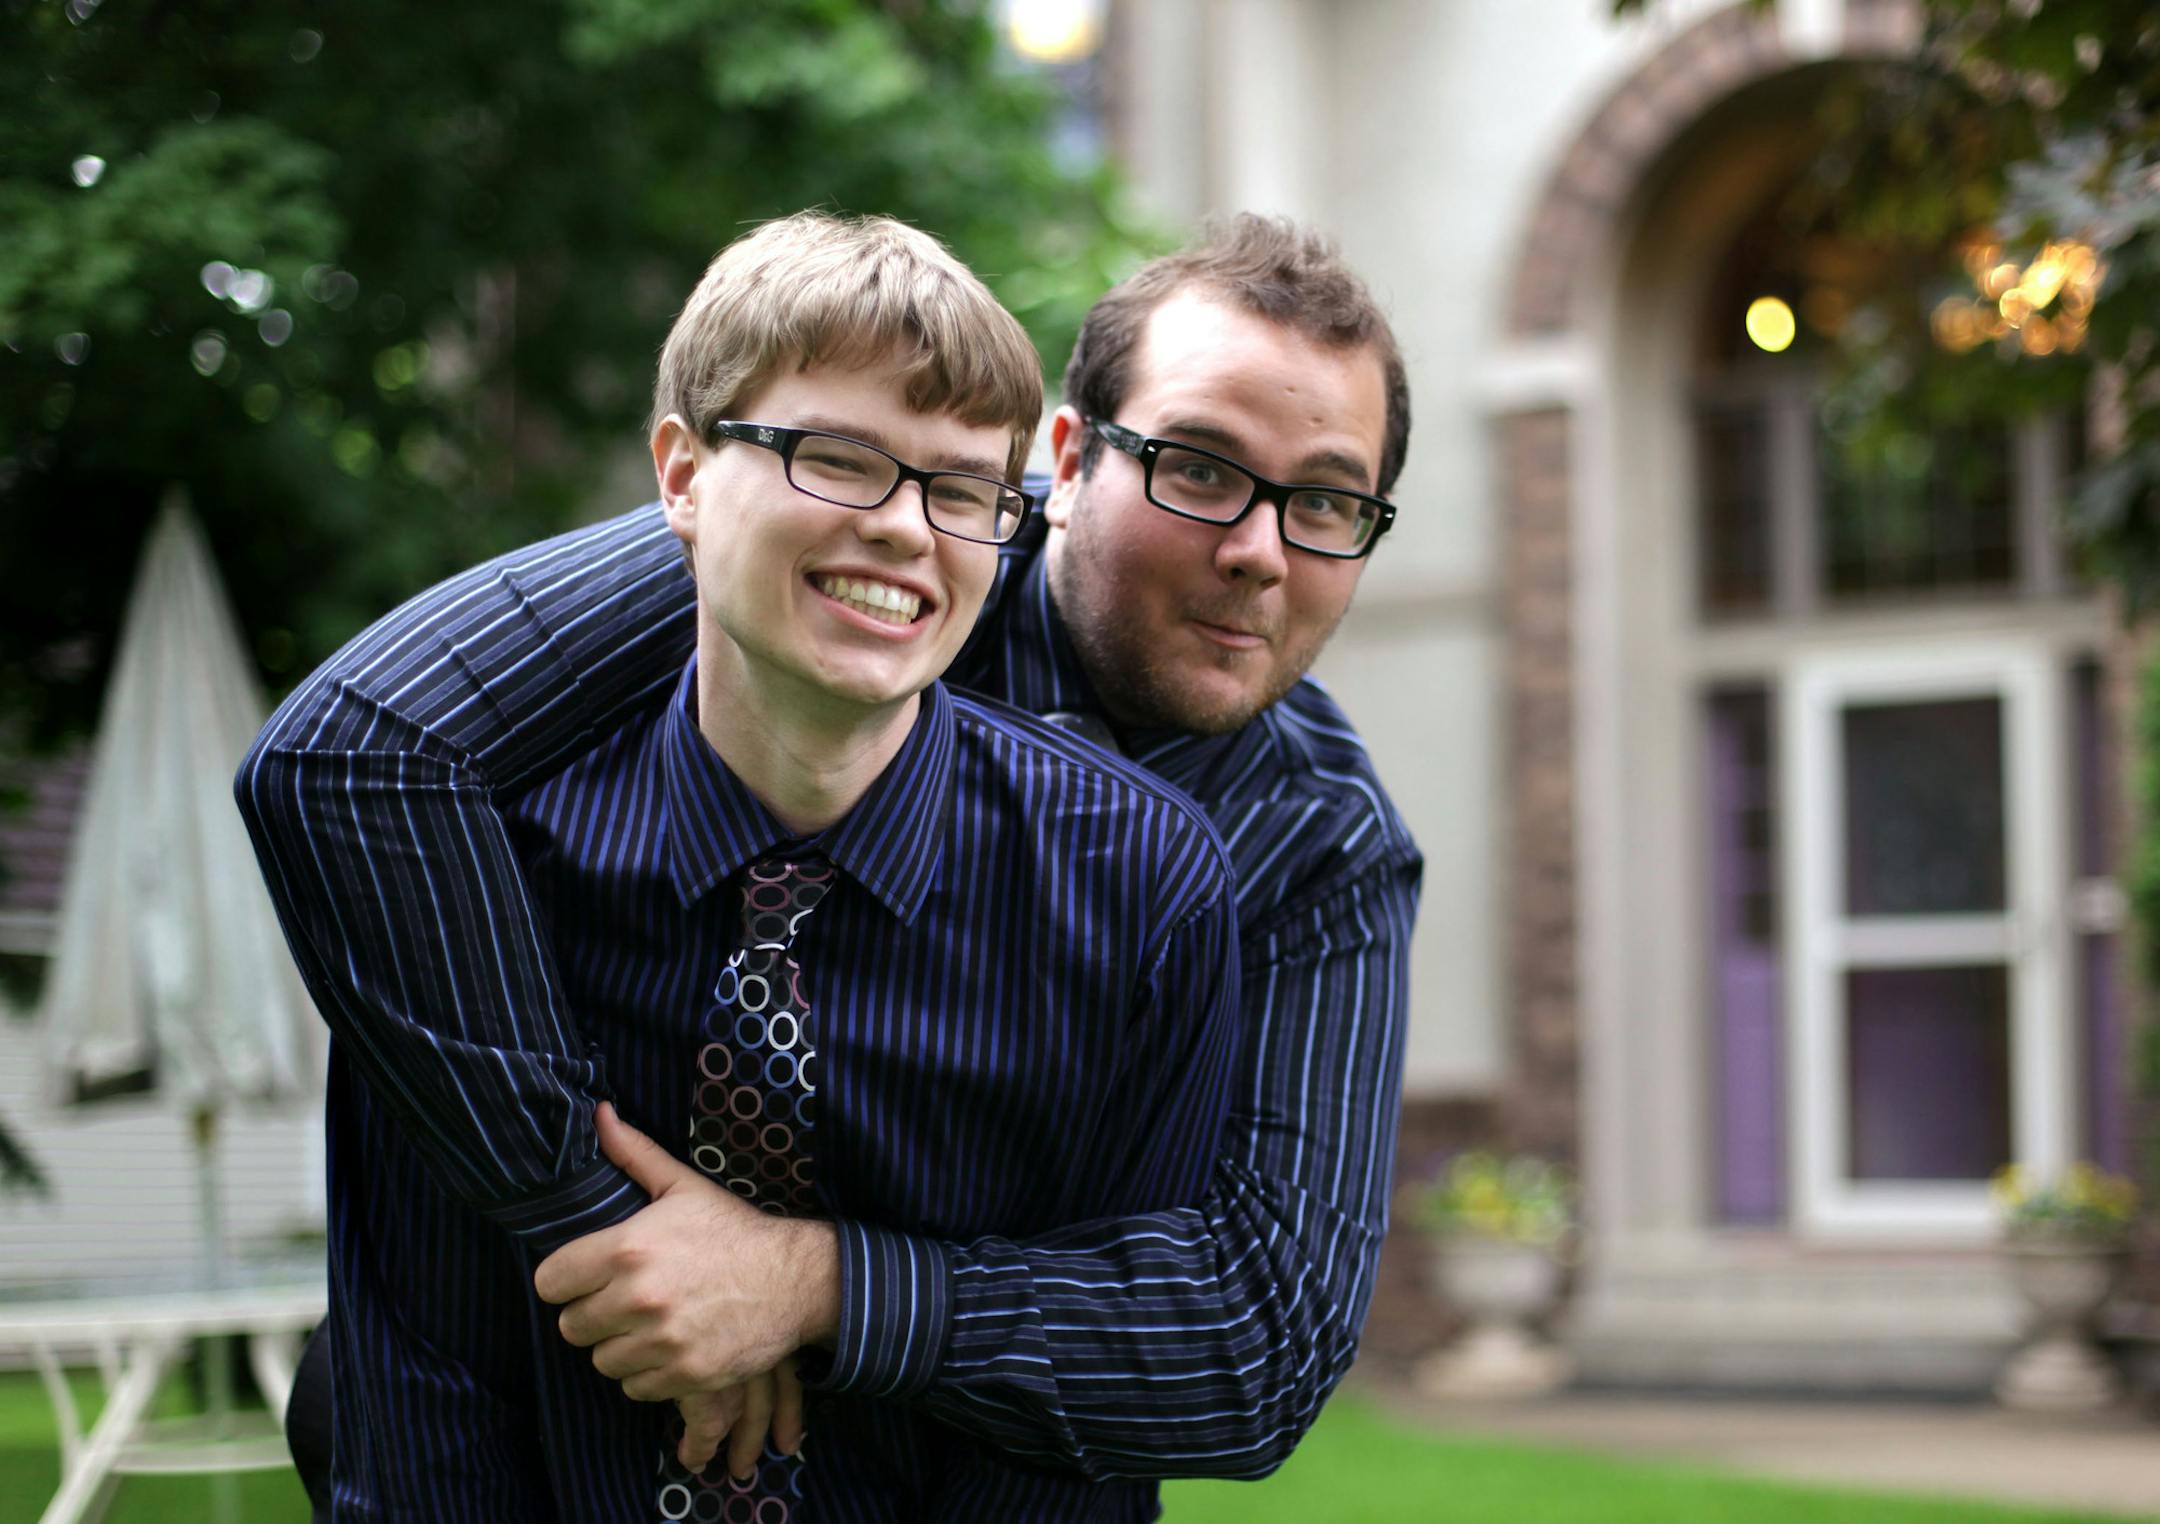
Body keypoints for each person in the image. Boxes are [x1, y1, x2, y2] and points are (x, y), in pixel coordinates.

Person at [253, 212, 1422, 1508]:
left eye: (1323, 501)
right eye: (1198, 468)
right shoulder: (859, 565)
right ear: (1068, 466)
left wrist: (804, 1285)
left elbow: (1257, 1345)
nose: (1257, 550)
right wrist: (601, 1221)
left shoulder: (1315, 852)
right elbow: (354, 755)